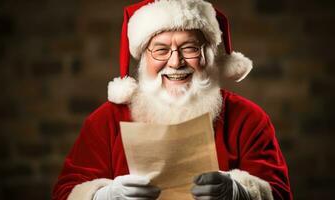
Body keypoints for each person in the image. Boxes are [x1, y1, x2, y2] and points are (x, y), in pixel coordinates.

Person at [52, 0, 292, 199]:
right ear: (144, 57)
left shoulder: (249, 119)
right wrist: (102, 196)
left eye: (190, 48)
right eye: (161, 50)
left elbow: (280, 194)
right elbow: (63, 193)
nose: (175, 62)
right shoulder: (106, 120)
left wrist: (240, 193)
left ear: (209, 54)